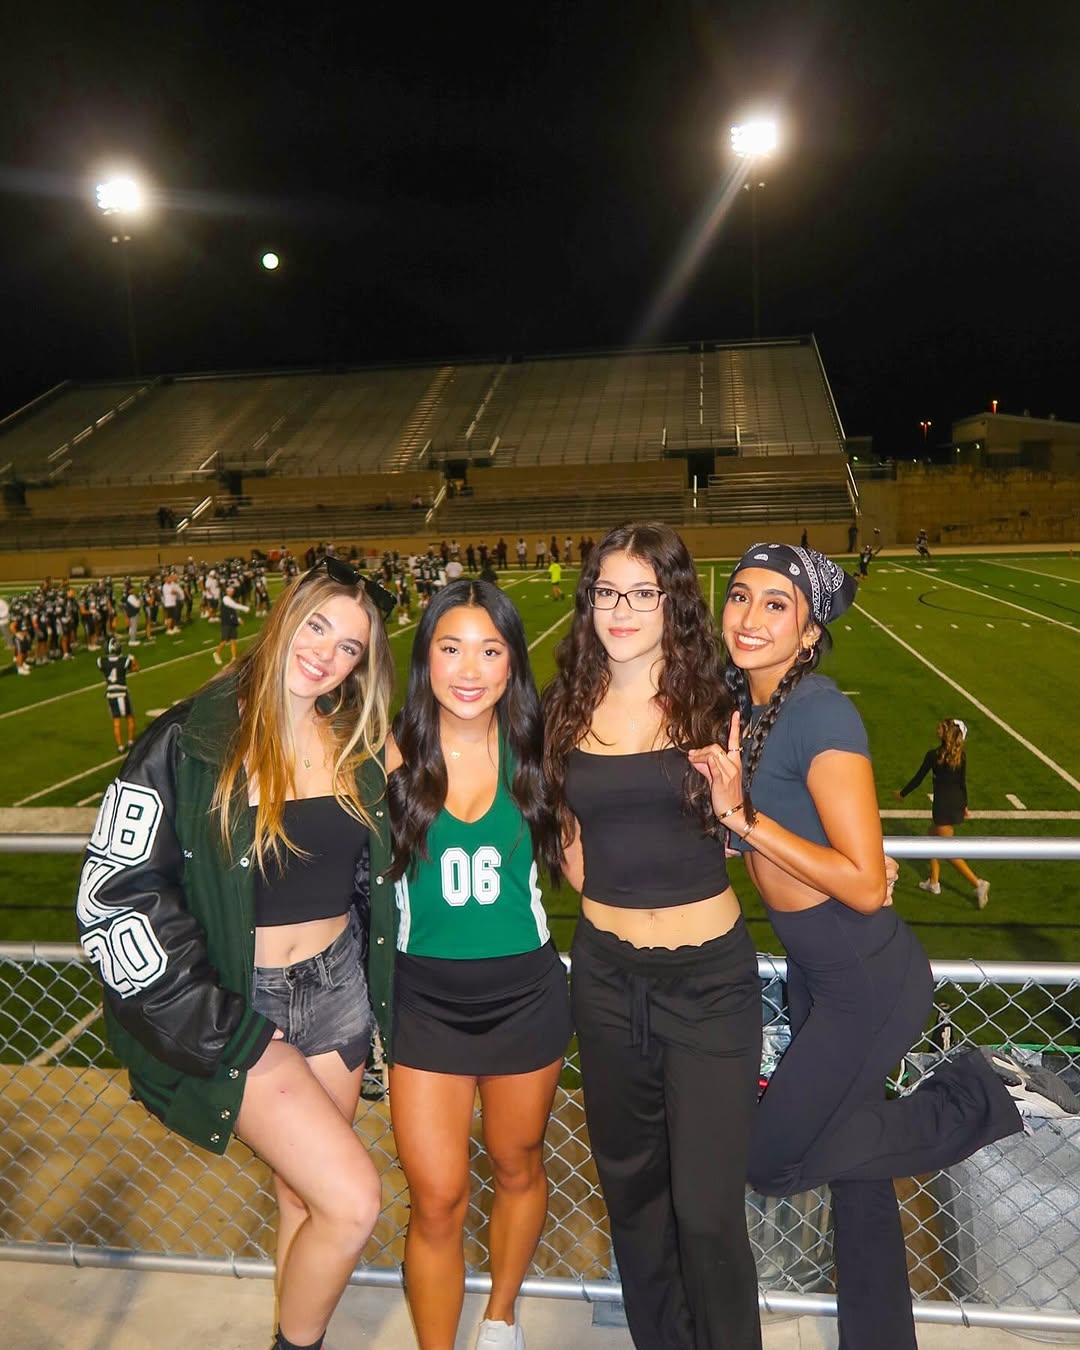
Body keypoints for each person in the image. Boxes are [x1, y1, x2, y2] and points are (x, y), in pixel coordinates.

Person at [695, 541, 1069, 1350]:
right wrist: (730, 820)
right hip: (818, 972)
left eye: (776, 604)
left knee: (772, 1160)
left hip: (863, 980)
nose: (750, 616)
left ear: (809, 631)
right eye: (741, 595)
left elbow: (864, 884)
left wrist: (741, 819)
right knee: (855, 1172)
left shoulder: (819, 711)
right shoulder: (747, 710)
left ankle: (989, 1094)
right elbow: (773, 842)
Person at [75, 558, 397, 1350]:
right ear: (285, 615)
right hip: (242, 1005)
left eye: (350, 647)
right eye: (316, 626)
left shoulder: (359, 743)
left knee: (304, 1199)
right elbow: (111, 896)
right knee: (353, 1200)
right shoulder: (190, 740)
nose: (326, 655)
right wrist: (216, 1023)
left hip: (338, 992)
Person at [543, 522, 763, 1350]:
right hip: (605, 979)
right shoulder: (565, 708)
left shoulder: (719, 703)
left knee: (706, 1210)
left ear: (675, 603)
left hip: (707, 986)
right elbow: (569, 844)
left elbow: (760, 829)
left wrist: (738, 814)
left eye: (644, 592)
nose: (623, 609)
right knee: (633, 1198)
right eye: (608, 592)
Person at [379, 579, 570, 1350]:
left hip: (526, 997)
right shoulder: (386, 753)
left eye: (489, 651)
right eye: (450, 647)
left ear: (513, 662)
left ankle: (500, 1318)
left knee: (518, 1164)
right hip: (424, 1004)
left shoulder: (543, 750)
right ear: (424, 658)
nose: (468, 669)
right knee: (436, 1197)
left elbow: (601, 854)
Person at [895, 718, 989, 907]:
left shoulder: (933, 755)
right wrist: (964, 805)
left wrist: (902, 794)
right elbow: (962, 783)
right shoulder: (961, 755)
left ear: (946, 733)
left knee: (946, 850)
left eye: (940, 727)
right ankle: (934, 882)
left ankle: (978, 883)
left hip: (943, 806)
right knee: (932, 837)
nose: (936, 729)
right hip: (956, 803)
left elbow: (918, 778)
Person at [98, 636, 138, 752]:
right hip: (122, 692)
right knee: (129, 717)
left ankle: (120, 746)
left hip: (110, 693)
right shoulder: (124, 660)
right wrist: (133, 660)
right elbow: (135, 669)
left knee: (116, 721)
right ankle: (130, 741)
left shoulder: (101, 661)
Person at [213, 582, 250, 665]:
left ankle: (234, 657)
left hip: (232, 622)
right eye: (230, 591)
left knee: (233, 640)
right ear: (227, 591)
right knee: (224, 641)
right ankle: (217, 653)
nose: (232, 592)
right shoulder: (225, 599)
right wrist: (245, 608)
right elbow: (234, 606)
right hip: (226, 623)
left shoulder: (229, 600)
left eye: (232, 591)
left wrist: (238, 619)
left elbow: (233, 611)